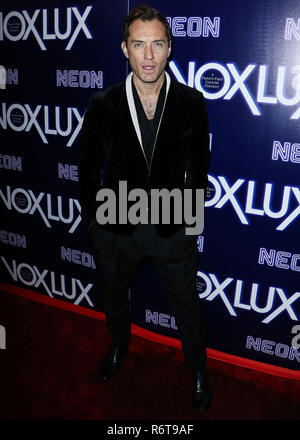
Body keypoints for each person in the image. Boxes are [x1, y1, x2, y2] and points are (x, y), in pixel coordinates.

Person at [78, 4, 211, 411]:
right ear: (125, 49)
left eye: (157, 45)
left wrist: (190, 222)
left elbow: (199, 166)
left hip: (172, 224)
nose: (149, 55)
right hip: (116, 226)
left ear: (169, 48)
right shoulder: (104, 102)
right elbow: (87, 168)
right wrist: (95, 226)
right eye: (139, 45)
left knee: (187, 304)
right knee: (115, 296)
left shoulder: (192, 101)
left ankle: (198, 368)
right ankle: (119, 346)